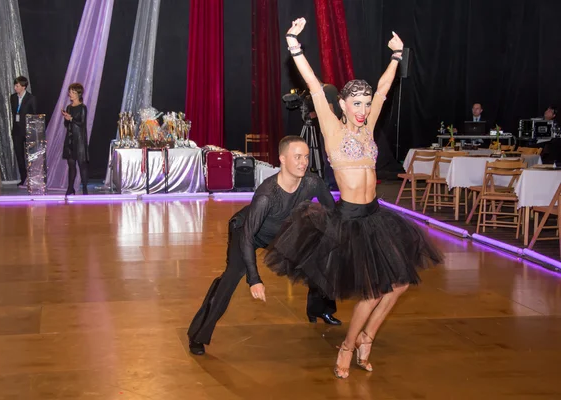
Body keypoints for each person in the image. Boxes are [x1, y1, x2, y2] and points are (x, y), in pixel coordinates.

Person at [265, 18, 444, 379]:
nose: (363, 109)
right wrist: (293, 45)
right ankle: (347, 346)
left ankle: (367, 337)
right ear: (343, 105)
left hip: (376, 217)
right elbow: (314, 86)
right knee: (374, 290)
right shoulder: (332, 127)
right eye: (356, 103)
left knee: (401, 282)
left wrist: (396, 56)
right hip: (348, 221)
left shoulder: (369, 124)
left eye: (365, 103)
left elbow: (383, 90)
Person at [187, 135, 340, 356]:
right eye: (297, 157)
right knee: (230, 279)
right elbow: (248, 236)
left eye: (306, 157)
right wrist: (254, 279)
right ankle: (198, 335)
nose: (303, 162)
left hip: (282, 232)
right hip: (247, 231)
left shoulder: (312, 183)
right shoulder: (267, 195)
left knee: (321, 261)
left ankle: (319, 309)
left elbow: (332, 211)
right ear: (282, 159)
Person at [61, 83, 89, 195]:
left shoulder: (83, 107)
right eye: (70, 92)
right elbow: (66, 125)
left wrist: (71, 118)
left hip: (80, 140)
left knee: (82, 166)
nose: (70, 94)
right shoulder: (69, 107)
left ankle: (85, 189)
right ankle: (70, 188)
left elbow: (82, 123)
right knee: (71, 165)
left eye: (73, 92)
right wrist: (67, 119)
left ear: (79, 94)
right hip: (70, 139)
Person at [10, 76, 37, 186]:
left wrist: (32, 130)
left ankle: (33, 179)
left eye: (17, 86)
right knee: (19, 155)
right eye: (15, 85)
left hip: (28, 131)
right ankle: (23, 178)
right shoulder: (13, 98)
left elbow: (34, 115)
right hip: (16, 131)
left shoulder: (31, 98)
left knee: (31, 155)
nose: (15, 88)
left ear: (23, 87)